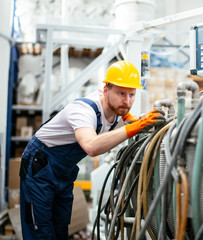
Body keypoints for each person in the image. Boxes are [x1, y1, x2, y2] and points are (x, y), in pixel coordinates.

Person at [19, 60, 165, 239]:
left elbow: (124, 119)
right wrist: (134, 127)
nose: (127, 101)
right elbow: (91, 146)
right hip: (40, 165)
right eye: (121, 93)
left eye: (131, 95)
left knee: (60, 227)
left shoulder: (117, 111)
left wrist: (135, 121)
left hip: (63, 170)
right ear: (105, 90)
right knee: (40, 230)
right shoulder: (83, 110)